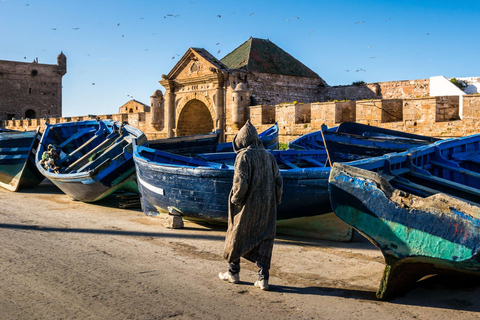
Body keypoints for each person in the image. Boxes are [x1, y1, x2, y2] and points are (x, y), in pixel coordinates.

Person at [219, 120, 283, 291]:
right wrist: (276, 200)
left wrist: (235, 200)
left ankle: (233, 272)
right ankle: (263, 279)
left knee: (237, 234)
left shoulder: (243, 156)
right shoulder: (269, 156)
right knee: (264, 237)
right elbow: (278, 181)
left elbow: (240, 183)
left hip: (247, 205)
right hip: (267, 206)